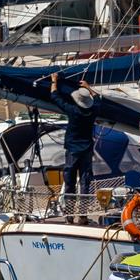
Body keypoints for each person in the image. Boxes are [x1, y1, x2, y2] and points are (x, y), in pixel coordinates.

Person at [50, 72, 99, 225]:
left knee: (70, 181)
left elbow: (55, 96)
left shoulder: (73, 111)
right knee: (85, 181)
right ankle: (82, 215)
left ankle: (69, 214)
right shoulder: (93, 111)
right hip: (87, 150)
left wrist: (54, 81)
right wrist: (89, 88)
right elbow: (98, 99)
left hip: (73, 149)